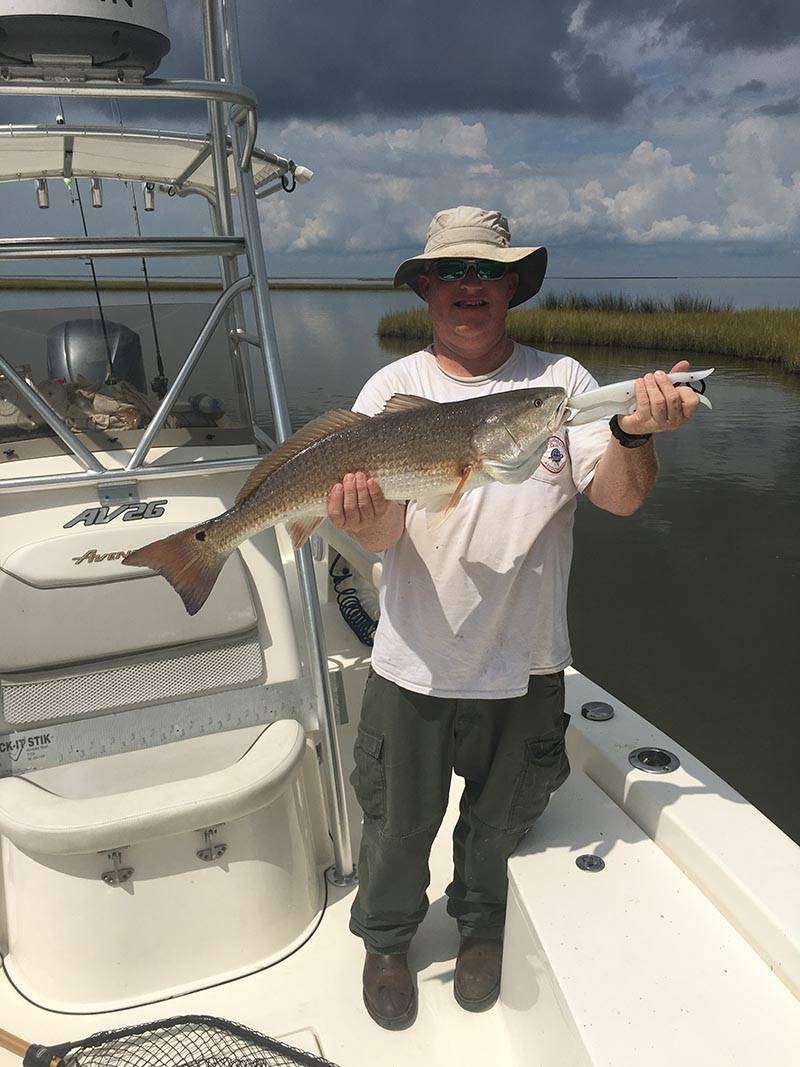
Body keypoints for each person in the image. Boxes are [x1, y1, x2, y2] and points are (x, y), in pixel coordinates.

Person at [326, 206, 701, 1030]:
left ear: (513, 289)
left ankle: (479, 926)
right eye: (454, 273)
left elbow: (620, 498)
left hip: (528, 660)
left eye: (490, 273)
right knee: (397, 820)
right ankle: (387, 937)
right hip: (415, 662)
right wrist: (360, 518)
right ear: (426, 287)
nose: (472, 288)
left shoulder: (559, 385)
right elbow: (388, 534)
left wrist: (635, 432)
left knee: (495, 822)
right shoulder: (392, 392)